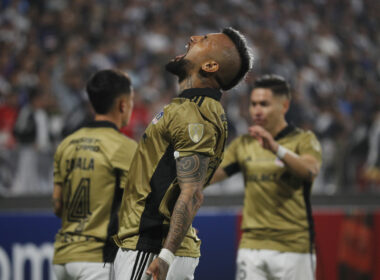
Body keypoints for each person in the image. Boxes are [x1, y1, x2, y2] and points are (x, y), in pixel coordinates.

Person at [113, 27, 253, 280]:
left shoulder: (194, 115)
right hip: (151, 245)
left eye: (204, 40)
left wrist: (165, 256)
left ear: (210, 66)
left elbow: (193, 193)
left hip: (150, 248)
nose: (193, 38)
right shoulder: (191, 108)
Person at [210, 74, 322, 280]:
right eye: (253, 104)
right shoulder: (243, 144)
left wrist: (277, 149)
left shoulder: (303, 140)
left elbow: (309, 171)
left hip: (294, 247)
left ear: (284, 106)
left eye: (264, 104)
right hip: (252, 247)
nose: (257, 110)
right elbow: (207, 177)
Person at [52, 69, 137, 280]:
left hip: (63, 257)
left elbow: (57, 205)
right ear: (123, 104)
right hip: (97, 259)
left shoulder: (67, 144)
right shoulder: (124, 148)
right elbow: (138, 207)